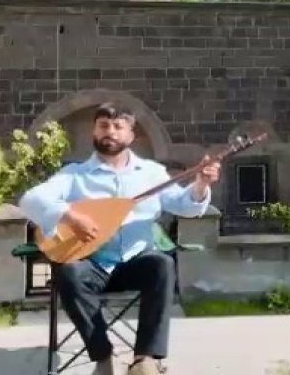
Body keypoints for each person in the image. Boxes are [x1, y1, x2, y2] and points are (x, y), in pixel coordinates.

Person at [19, 103, 219, 375]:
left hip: (136, 263)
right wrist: (70, 216)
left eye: (117, 127)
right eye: (103, 126)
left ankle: (145, 359)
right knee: (68, 273)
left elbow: (185, 206)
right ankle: (103, 356)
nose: (109, 132)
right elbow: (30, 200)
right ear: (94, 132)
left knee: (162, 264)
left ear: (131, 135)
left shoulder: (151, 173)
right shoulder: (75, 175)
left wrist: (201, 184)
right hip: (92, 264)